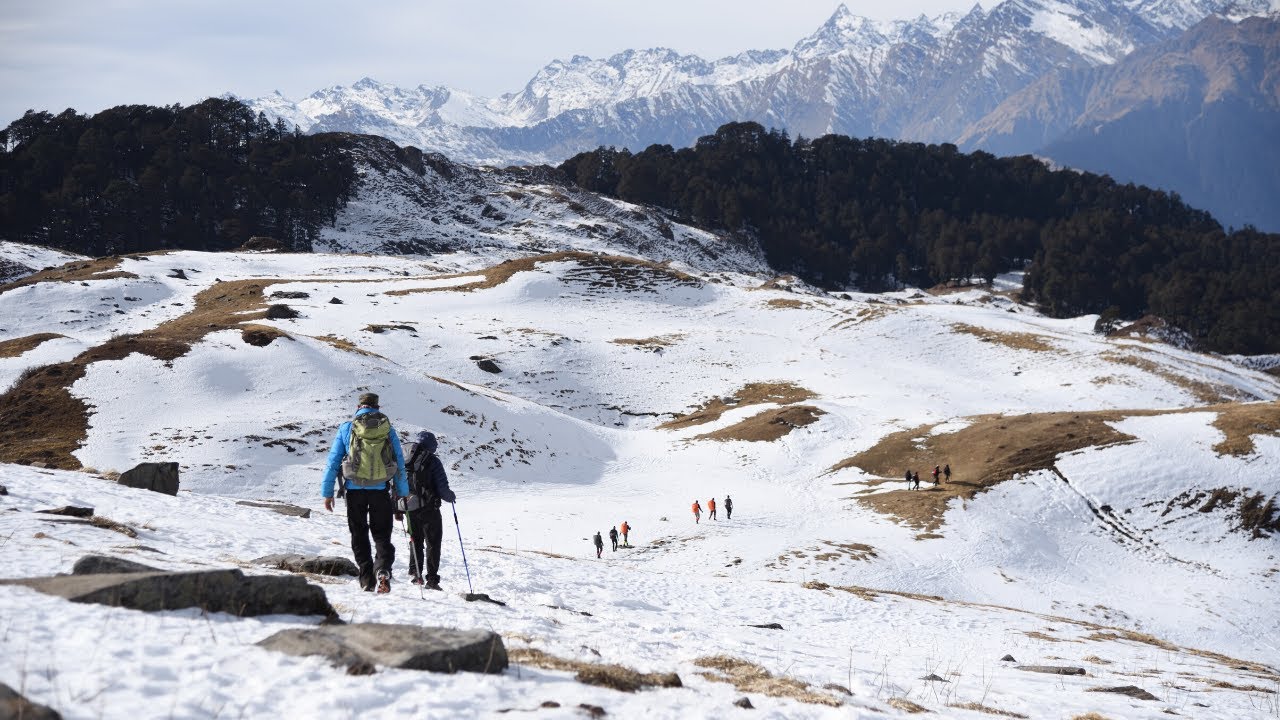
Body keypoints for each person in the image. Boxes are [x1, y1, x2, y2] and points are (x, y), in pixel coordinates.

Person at [322, 392, 408, 594]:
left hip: (354, 491)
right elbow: (399, 461)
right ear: (377, 407)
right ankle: (383, 569)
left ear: (358, 407)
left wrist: (328, 493)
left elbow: (333, 461)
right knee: (382, 535)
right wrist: (402, 491)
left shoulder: (347, 428)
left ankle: (366, 578)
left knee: (359, 534)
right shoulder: (387, 429)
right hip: (380, 491)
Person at [402, 430, 456, 591]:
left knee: (415, 539)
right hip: (429, 509)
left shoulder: (404, 459)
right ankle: (432, 580)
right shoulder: (433, 461)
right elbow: (442, 488)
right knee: (433, 543)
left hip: (409, 507)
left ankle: (415, 574)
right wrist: (450, 496)